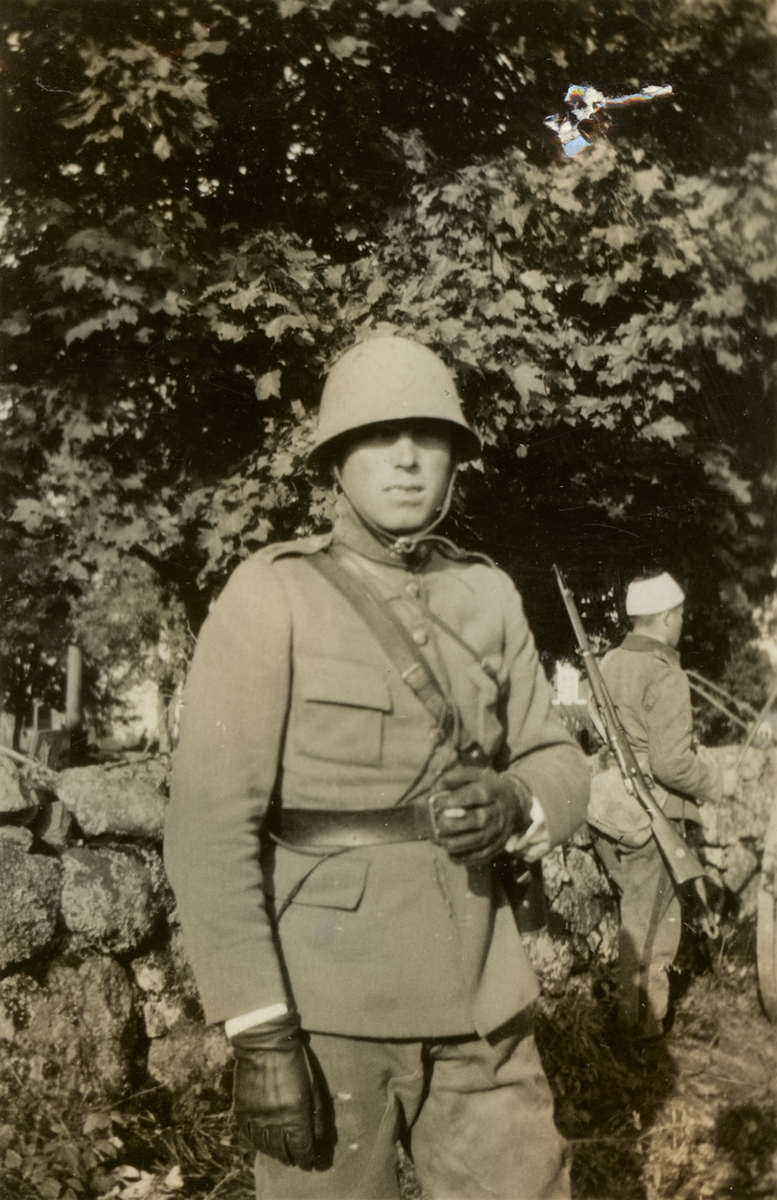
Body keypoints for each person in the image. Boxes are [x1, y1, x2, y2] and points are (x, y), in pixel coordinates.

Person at [164, 336, 590, 1200]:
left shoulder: (487, 593)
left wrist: (516, 799)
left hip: (482, 995)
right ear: (336, 461)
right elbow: (209, 826)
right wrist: (258, 1029)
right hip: (328, 1010)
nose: (405, 458)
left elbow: (556, 756)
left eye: (428, 437)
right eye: (378, 436)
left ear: (454, 460)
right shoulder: (273, 593)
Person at [588, 571, 736, 1043]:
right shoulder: (666, 673)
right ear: (668, 617)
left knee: (633, 918)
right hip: (653, 816)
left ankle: (628, 1026)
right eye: (681, 616)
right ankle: (641, 1036)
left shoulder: (608, 661)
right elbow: (672, 765)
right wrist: (717, 782)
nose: (682, 624)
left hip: (608, 809)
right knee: (651, 932)